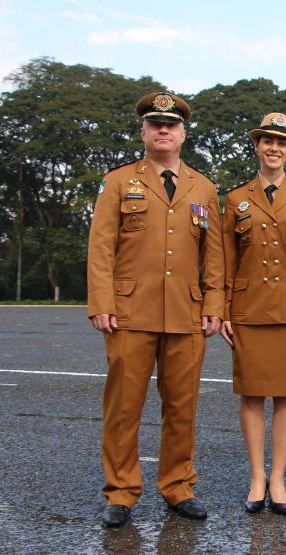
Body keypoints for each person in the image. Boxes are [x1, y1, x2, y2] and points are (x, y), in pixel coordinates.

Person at [87, 92, 224, 526]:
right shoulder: (118, 181)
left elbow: (214, 253)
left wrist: (215, 302)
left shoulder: (203, 186)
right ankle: (121, 491)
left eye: (171, 125)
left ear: (183, 134)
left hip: (186, 311)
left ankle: (178, 486)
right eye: (155, 124)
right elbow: (100, 247)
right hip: (129, 311)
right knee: (124, 406)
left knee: (182, 406)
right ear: (144, 132)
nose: (163, 131)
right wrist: (102, 301)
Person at [220, 112, 286, 515]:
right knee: (250, 394)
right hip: (247, 309)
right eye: (267, 141)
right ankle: (255, 477)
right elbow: (224, 260)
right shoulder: (234, 198)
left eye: (282, 142)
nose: (274, 148)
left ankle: (277, 476)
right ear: (257, 146)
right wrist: (222, 309)